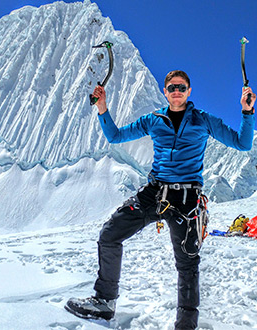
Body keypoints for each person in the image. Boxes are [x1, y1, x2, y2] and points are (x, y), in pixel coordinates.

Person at [65, 70, 256, 329]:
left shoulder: (203, 120)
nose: (176, 90)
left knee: (187, 263)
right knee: (110, 233)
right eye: (171, 87)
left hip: (187, 200)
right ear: (165, 92)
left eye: (181, 87)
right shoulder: (153, 120)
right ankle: (104, 302)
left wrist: (247, 112)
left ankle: (185, 325)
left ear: (189, 92)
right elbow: (115, 136)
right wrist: (102, 109)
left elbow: (242, 144)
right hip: (154, 193)